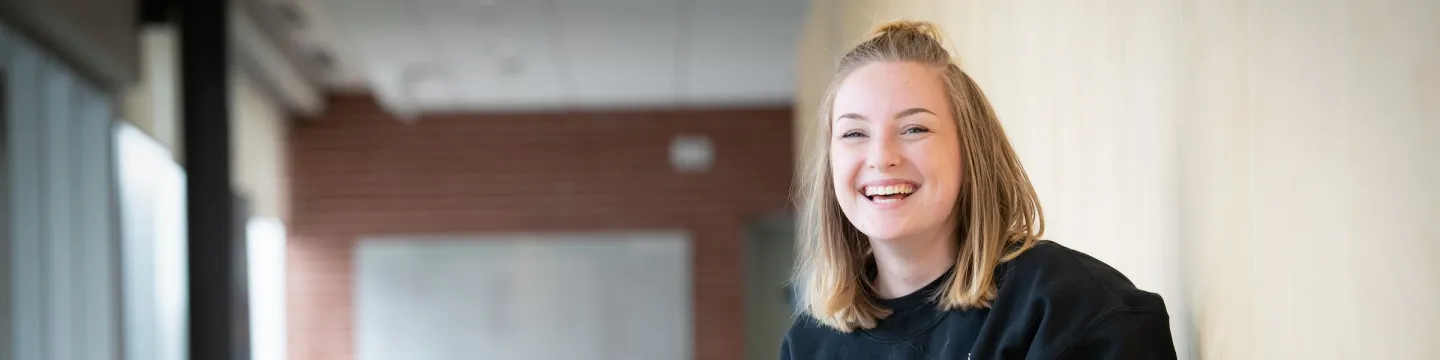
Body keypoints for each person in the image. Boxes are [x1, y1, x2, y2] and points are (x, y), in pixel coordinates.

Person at [781, 20, 1177, 359]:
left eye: (914, 128)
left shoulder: (1070, 309)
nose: (881, 157)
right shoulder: (807, 345)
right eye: (853, 133)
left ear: (970, 150)